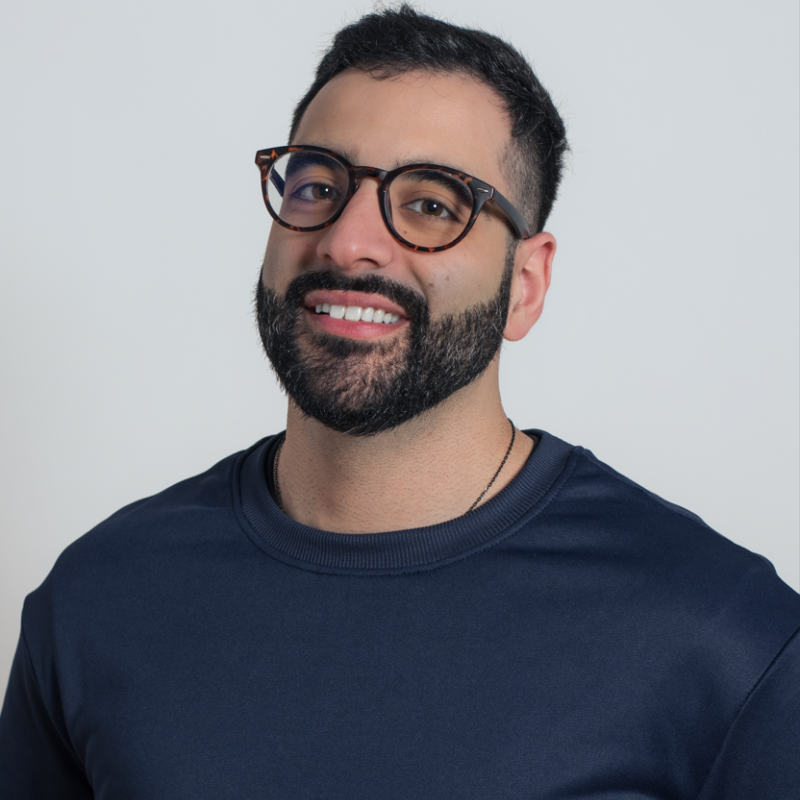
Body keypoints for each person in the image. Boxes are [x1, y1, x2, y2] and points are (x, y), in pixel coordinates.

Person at [1, 5, 797, 797]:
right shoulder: (97, 599)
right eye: (318, 185)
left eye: (431, 204)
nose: (348, 242)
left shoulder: (726, 641)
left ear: (525, 284)